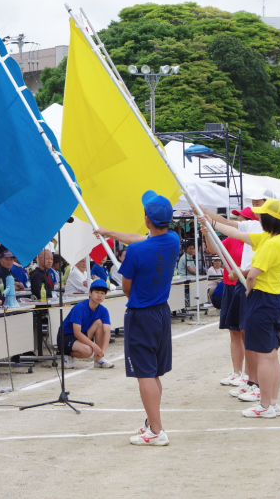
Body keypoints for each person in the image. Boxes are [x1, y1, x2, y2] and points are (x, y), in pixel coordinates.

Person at [94, 190, 180, 446]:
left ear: (146, 219)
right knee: (153, 373)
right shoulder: (173, 240)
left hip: (141, 315)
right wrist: (109, 233)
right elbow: (140, 239)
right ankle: (151, 423)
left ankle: (156, 431)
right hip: (161, 312)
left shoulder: (135, 253)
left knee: (145, 374)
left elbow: (126, 288)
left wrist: (109, 234)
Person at [200, 198, 280, 419]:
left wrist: (248, 289)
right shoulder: (275, 238)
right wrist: (209, 222)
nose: (258, 217)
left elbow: (251, 275)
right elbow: (235, 233)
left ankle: (266, 404)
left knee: (265, 357)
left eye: (261, 215)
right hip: (275, 300)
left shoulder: (271, 243)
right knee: (272, 355)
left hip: (264, 300)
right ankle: (272, 403)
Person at [201, 203, 265, 393]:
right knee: (235, 331)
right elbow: (215, 249)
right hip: (232, 288)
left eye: (242, 218)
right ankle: (239, 373)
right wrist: (206, 229)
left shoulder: (255, 237)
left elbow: (224, 222)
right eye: (238, 218)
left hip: (246, 285)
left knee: (247, 333)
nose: (238, 221)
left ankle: (250, 377)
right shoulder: (233, 238)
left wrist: (208, 216)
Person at [58, 279, 115, 369]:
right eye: (96, 292)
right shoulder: (80, 307)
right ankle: (67, 355)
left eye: (102, 293)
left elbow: (107, 332)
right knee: (88, 351)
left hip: (82, 334)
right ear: (90, 293)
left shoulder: (103, 310)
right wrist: (94, 345)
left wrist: (102, 351)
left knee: (99, 323)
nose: (99, 295)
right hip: (66, 336)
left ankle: (99, 359)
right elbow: (77, 332)